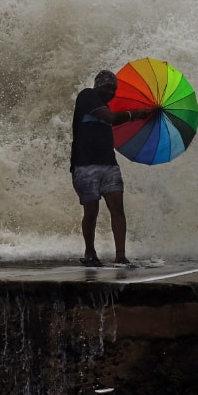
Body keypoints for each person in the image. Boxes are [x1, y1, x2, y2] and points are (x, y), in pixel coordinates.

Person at [70, 70, 152, 267]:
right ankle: (90, 253)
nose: (111, 92)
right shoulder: (87, 96)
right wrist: (135, 114)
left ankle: (120, 256)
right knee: (91, 212)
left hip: (109, 164)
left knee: (117, 208)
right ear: (98, 86)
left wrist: (147, 115)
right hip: (84, 165)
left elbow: (113, 119)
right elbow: (110, 118)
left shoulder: (106, 106)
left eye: (114, 89)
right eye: (108, 88)